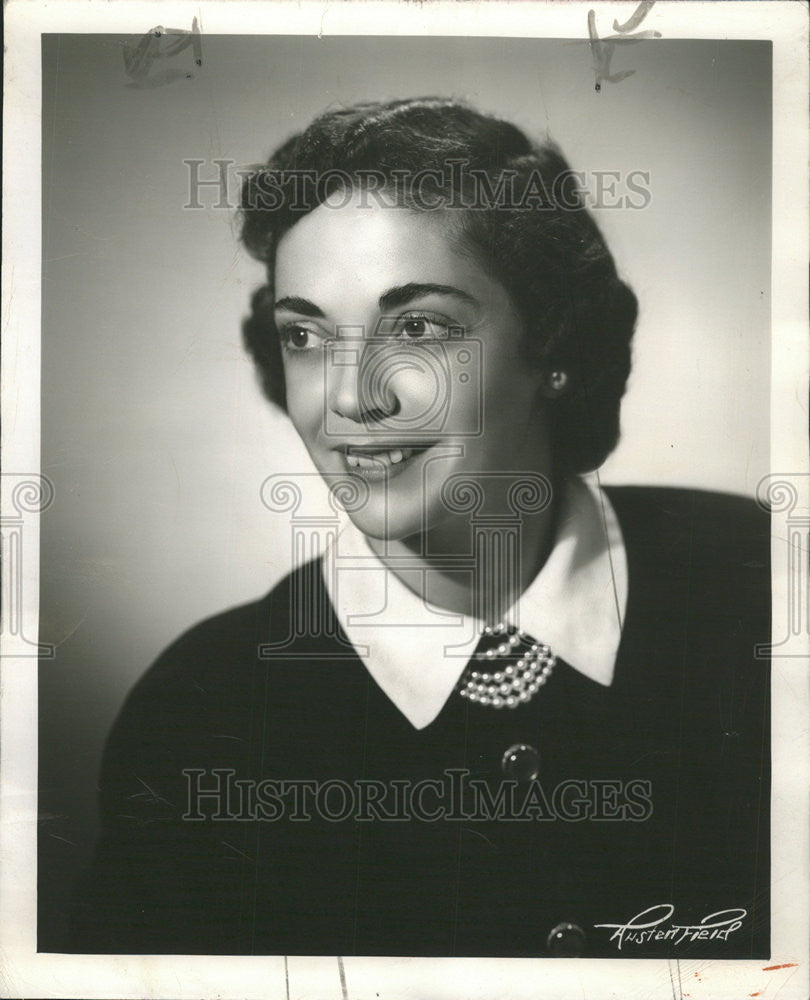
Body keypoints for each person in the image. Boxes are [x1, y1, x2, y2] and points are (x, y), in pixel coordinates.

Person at [70, 97, 770, 958]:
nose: (352, 395)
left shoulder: (760, 587)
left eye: (418, 326)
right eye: (306, 335)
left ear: (554, 346)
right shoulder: (201, 714)